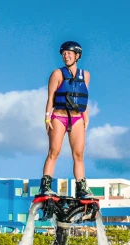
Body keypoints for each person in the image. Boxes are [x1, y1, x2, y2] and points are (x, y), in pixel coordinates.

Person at [38, 41, 93, 199]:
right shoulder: (57, 74)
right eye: (63, 53)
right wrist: (47, 119)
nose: (65, 55)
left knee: (79, 154)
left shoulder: (86, 75)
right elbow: (50, 99)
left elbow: (84, 98)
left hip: (77, 118)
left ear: (77, 56)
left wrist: (86, 117)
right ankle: (46, 185)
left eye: (69, 53)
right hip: (59, 117)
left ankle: (81, 188)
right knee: (54, 152)